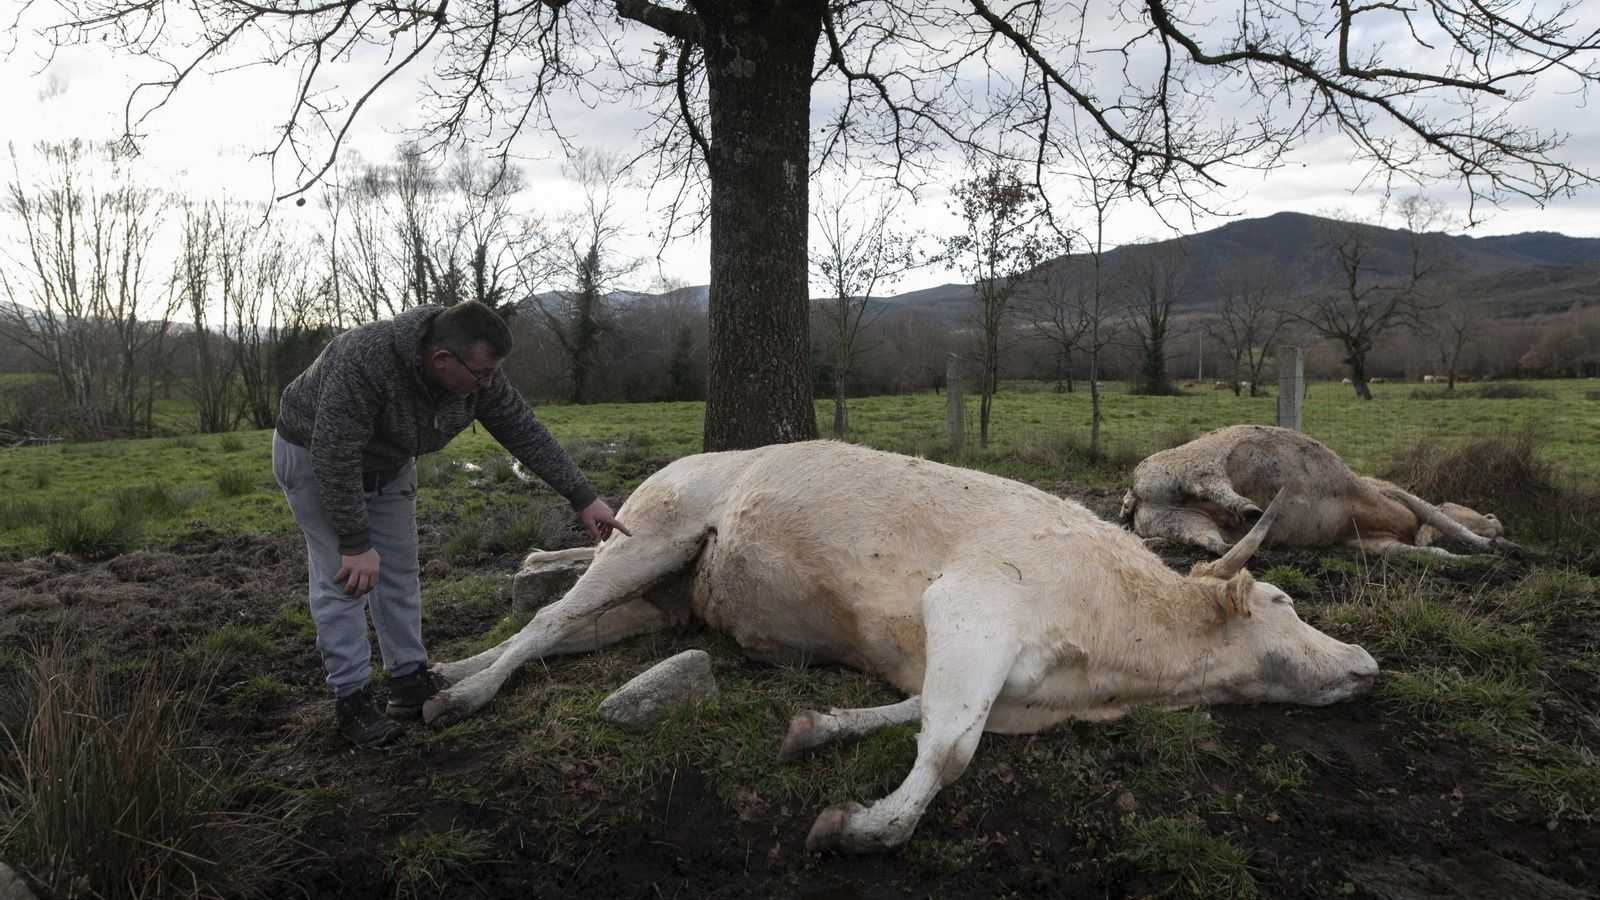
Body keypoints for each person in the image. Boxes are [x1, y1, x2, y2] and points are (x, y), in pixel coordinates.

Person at [272, 301, 629, 747]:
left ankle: (407, 682)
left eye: (494, 373)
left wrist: (583, 497)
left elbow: (524, 430)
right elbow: (334, 452)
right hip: (315, 458)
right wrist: (355, 540)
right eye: (481, 374)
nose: (488, 383)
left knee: (399, 572)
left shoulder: (479, 375)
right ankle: (351, 699)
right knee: (346, 579)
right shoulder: (363, 359)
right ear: (442, 359)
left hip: (392, 463)